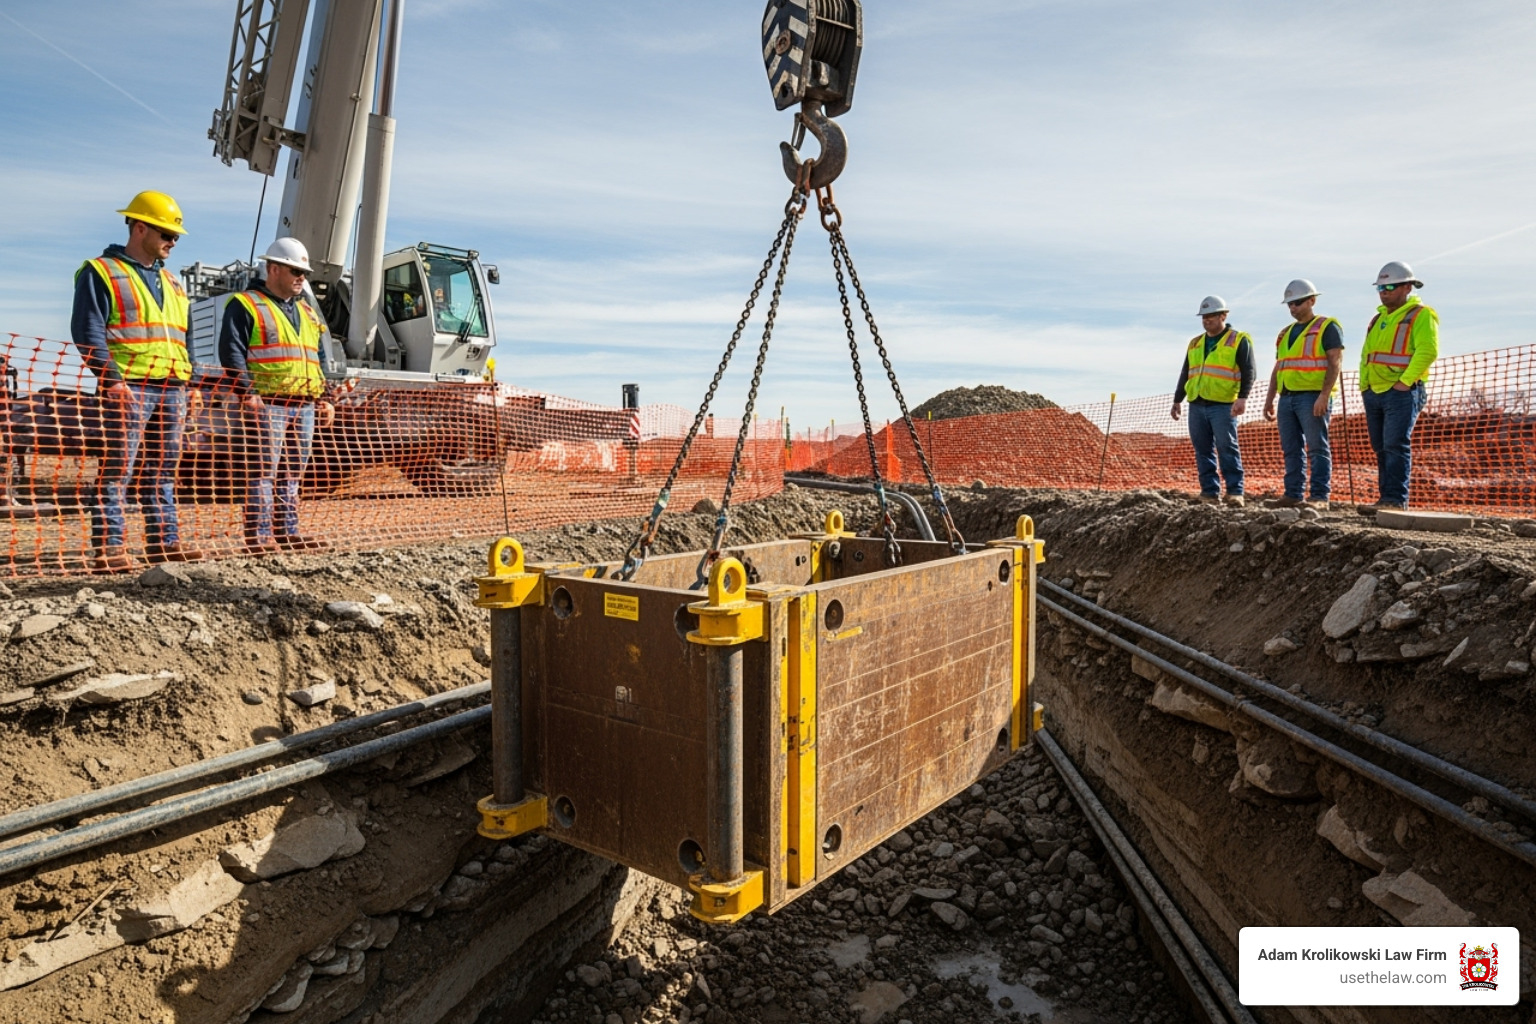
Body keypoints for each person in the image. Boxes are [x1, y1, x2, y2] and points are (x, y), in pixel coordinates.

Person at [71, 190, 203, 572]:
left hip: (173, 387)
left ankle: (163, 542)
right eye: (166, 234)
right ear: (140, 228)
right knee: (118, 469)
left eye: (175, 236)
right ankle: (110, 547)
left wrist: (191, 383)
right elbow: (87, 330)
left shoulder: (173, 283)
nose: (173, 242)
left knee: (163, 471)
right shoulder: (102, 271)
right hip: (129, 386)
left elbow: (186, 337)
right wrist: (111, 381)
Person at [218, 237, 335, 554]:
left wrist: (326, 397)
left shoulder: (307, 312)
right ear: (273, 269)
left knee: (292, 475)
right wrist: (248, 393)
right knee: (263, 475)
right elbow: (231, 352)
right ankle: (259, 537)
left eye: (304, 272)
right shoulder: (246, 304)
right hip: (268, 404)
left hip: (305, 405)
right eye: (295, 270)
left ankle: (287, 533)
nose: (301, 277)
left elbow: (317, 358)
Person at [1359, 261, 1438, 512]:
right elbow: (1367, 355)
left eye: (1390, 287)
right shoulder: (1377, 319)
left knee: (1395, 444)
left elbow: (1427, 351)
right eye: (1380, 288)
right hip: (1374, 391)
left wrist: (1404, 383)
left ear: (1407, 287)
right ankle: (1386, 499)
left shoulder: (1420, 315)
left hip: (1401, 392)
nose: (1384, 292)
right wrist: (1365, 386)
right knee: (1381, 447)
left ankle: (1395, 500)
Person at [1262, 279, 1344, 509]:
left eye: (1297, 302)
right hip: (1287, 397)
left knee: (1317, 447)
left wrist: (1324, 395)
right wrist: (1270, 399)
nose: (1293, 307)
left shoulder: (1326, 327)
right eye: (1290, 304)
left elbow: (1335, 361)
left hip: (1312, 396)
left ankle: (1319, 497)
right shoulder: (1285, 333)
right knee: (1291, 448)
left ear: (1312, 301)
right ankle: (1293, 494)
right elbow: (1279, 367)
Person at [1170, 296, 1254, 506]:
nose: (1206, 320)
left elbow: (1249, 371)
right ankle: (1209, 492)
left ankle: (1235, 491)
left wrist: (1242, 398)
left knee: (1227, 447)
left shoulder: (1238, 340)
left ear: (1223, 315)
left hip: (1223, 404)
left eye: (1211, 316)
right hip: (1197, 403)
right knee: (1202, 449)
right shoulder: (1195, 343)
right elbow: (1185, 372)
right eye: (1204, 317)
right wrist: (1177, 400)